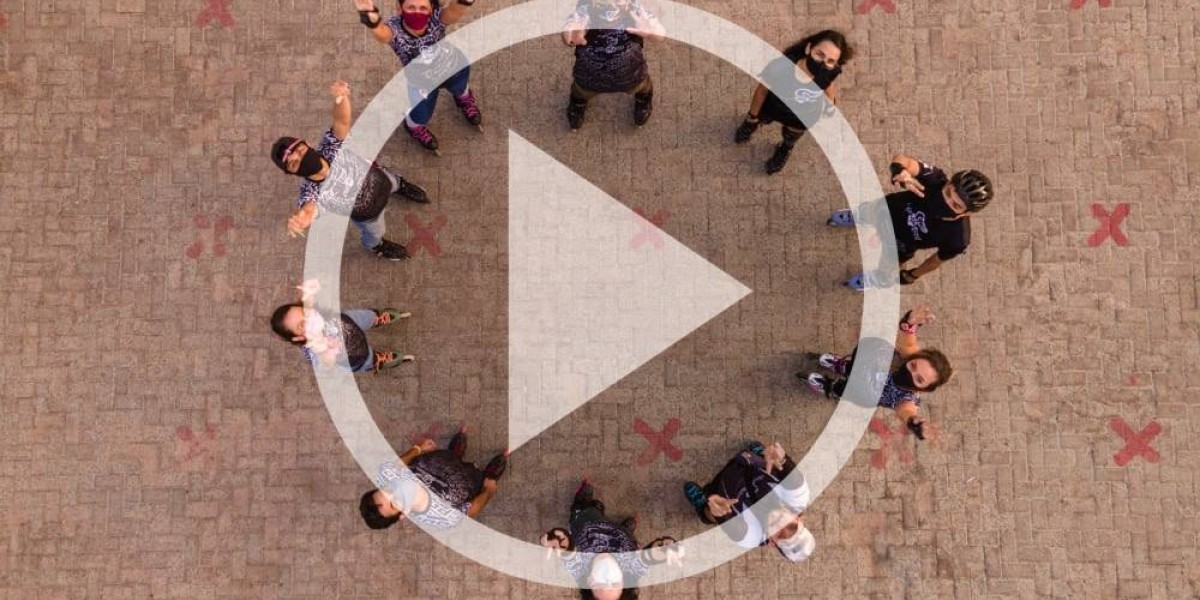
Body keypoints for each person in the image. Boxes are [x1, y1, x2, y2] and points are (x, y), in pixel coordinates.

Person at [270, 80, 430, 261]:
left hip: (382, 179)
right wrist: (303, 219)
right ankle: (376, 246)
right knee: (375, 233)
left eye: (300, 151)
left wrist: (341, 98)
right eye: (294, 164)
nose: (302, 159)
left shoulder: (331, 146)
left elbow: (341, 121)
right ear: (291, 173)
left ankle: (402, 186)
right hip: (369, 216)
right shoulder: (311, 192)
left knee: (394, 182)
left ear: (307, 144)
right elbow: (309, 210)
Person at [831, 155, 994, 290]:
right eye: (948, 192)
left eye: (956, 205)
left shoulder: (958, 239)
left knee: (888, 267)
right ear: (948, 183)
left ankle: (879, 279)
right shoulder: (935, 180)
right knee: (868, 211)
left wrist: (913, 275)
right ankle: (858, 216)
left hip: (900, 245)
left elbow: (936, 260)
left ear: (967, 213)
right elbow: (904, 161)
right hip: (886, 210)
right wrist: (900, 171)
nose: (946, 200)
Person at [802, 305, 952, 439]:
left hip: (863, 393)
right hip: (865, 364)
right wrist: (909, 322)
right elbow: (909, 341)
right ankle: (842, 367)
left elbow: (907, 412)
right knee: (852, 367)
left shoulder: (908, 398)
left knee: (843, 390)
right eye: (913, 366)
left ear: (923, 389)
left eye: (919, 379)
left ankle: (831, 387)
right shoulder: (909, 355)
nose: (911, 374)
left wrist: (913, 422)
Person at [353, 0, 482, 154]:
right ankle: (413, 126)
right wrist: (371, 20)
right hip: (421, 83)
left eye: (423, 8)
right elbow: (382, 34)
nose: (417, 12)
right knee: (420, 114)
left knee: (460, 88)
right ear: (400, 8)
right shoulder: (395, 28)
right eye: (411, 7)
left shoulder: (436, 18)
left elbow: (454, 11)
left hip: (452, 68)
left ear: (431, 8)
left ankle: (463, 99)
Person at [734, 30, 854, 175]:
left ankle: (785, 148)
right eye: (819, 54)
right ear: (809, 48)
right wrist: (751, 117)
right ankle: (751, 126)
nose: (823, 63)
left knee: (791, 137)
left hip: (802, 117)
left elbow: (828, 86)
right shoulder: (781, 67)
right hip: (773, 107)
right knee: (762, 118)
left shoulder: (830, 72)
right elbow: (761, 91)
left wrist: (830, 106)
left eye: (830, 61)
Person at [540, 481, 681, 599]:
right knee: (628, 536)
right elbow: (649, 557)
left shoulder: (579, 567)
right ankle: (624, 528)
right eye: (614, 583)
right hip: (622, 538)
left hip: (589, 524)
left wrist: (556, 539)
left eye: (601, 584)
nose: (607, 576)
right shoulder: (631, 569)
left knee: (588, 513)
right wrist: (665, 549)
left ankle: (580, 505)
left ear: (589, 581)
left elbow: (566, 550)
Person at [682, 441, 817, 563]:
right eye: (791, 526)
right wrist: (780, 458)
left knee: (714, 512)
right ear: (800, 519)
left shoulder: (751, 537)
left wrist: (719, 513)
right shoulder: (799, 498)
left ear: (772, 543)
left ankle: (702, 508)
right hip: (750, 465)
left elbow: (733, 527)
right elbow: (792, 475)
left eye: (780, 535)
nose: (781, 524)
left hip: (721, 490)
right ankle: (761, 453)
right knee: (773, 465)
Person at [360, 427, 509, 530]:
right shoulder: (443, 518)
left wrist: (418, 449)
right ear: (403, 515)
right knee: (484, 480)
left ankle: (455, 455)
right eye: (394, 503)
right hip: (471, 482)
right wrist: (488, 490)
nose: (396, 489)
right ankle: (488, 476)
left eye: (387, 489)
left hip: (441, 460)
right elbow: (471, 510)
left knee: (450, 457)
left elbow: (396, 466)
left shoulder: (385, 474)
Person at [270, 279, 414, 373]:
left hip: (349, 321)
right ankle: (376, 360)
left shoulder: (311, 310)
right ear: (297, 338)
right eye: (302, 325)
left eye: (304, 313)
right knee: (366, 359)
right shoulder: (314, 352)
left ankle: (376, 319)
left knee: (365, 317)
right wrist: (323, 350)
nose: (309, 318)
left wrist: (310, 291)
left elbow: (308, 299)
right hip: (356, 356)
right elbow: (327, 363)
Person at [561, 0, 665, 131]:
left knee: (642, 87)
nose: (611, 6)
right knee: (580, 92)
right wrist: (571, 37)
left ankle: (643, 99)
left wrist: (649, 32)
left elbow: (661, 34)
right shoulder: (584, 10)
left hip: (631, 74)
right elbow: (568, 34)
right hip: (590, 76)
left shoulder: (635, 10)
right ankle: (578, 104)